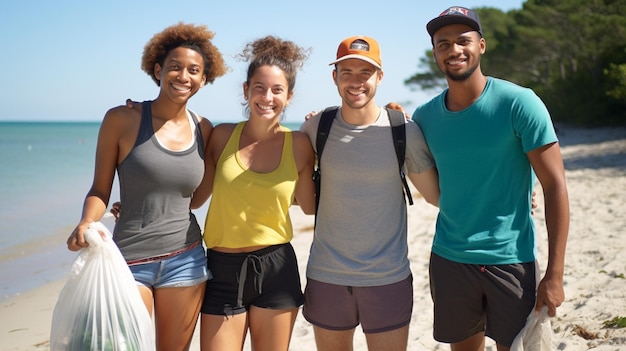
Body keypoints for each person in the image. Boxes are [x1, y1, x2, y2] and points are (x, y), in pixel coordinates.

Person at [412, 7, 570, 351]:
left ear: (481, 45)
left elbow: (555, 185)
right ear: (436, 53)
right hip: (450, 260)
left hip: (510, 260)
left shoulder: (519, 103)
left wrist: (554, 274)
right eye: (443, 44)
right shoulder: (424, 118)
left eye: (463, 41)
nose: (454, 50)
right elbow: (426, 172)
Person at [66, 22, 228, 351]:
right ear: (158, 69)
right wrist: (87, 221)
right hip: (128, 261)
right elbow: (100, 188)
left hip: (186, 260)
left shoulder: (204, 128)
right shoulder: (121, 119)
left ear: (203, 78)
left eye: (194, 70)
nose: (184, 76)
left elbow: (193, 200)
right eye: (175, 67)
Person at [299, 36, 440, 351]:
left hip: (387, 278)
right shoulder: (315, 128)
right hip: (326, 276)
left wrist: (508, 197)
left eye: (365, 72)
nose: (355, 81)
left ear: (380, 77)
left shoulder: (403, 131)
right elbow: (283, 180)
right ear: (334, 77)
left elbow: (437, 196)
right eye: (346, 72)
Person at [188, 36, 316, 351]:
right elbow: (195, 198)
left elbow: (310, 206)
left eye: (277, 90)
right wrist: (140, 203)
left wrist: (322, 133)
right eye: (259, 87)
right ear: (246, 91)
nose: (267, 96)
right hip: (221, 268)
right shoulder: (222, 136)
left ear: (289, 96)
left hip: (277, 268)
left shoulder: (299, 144)